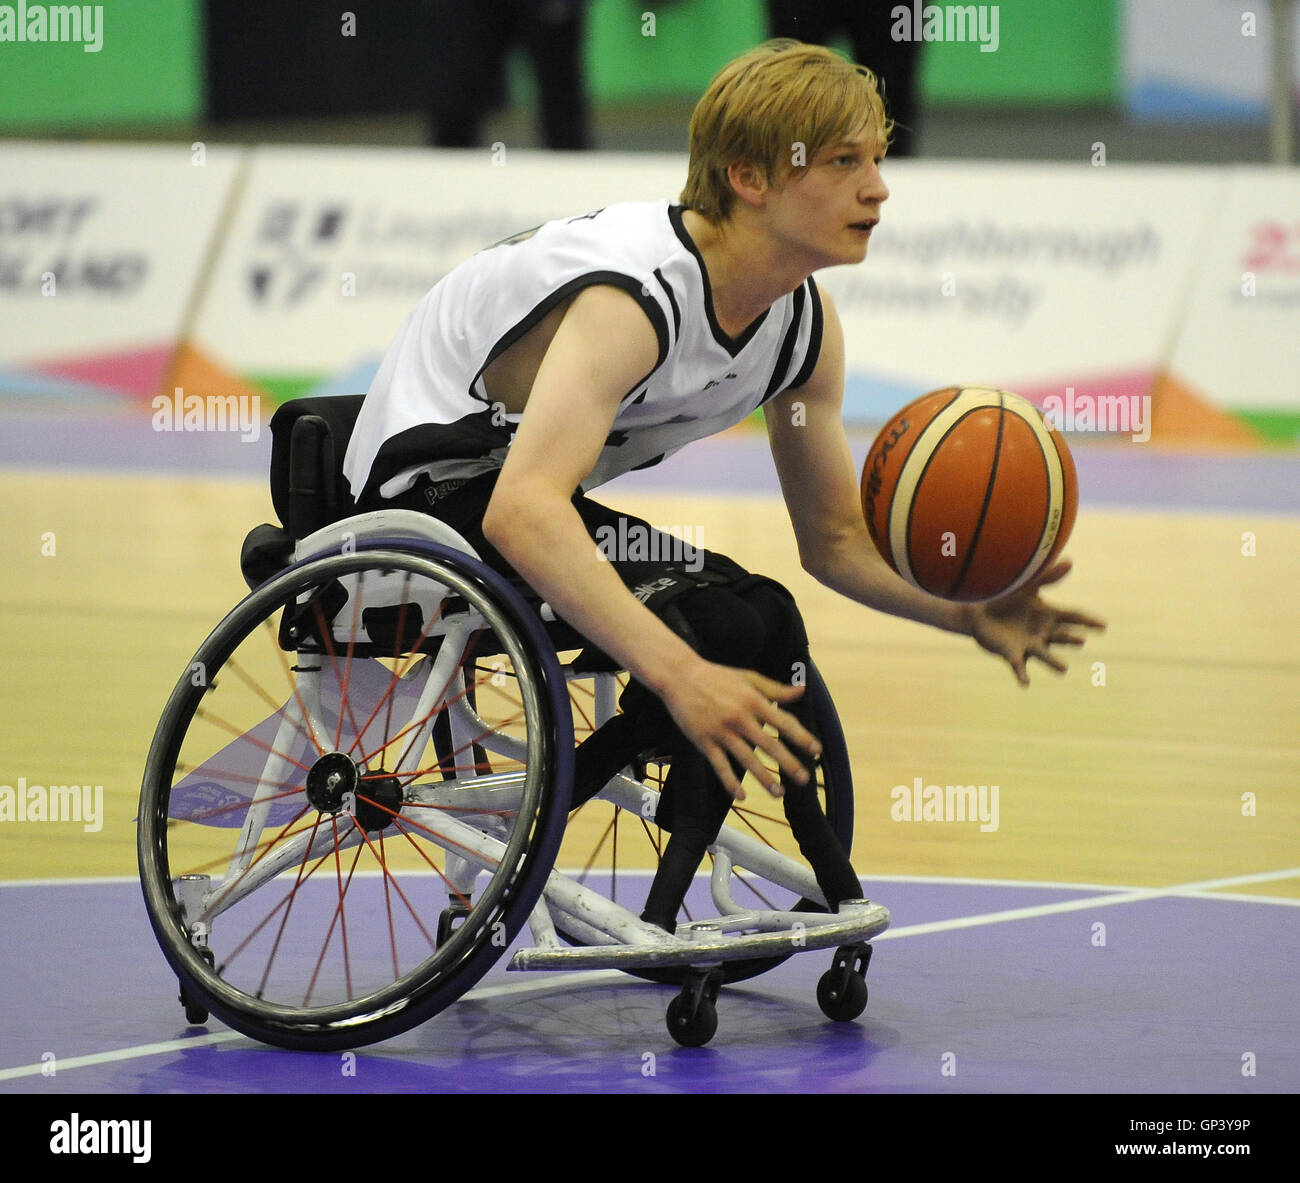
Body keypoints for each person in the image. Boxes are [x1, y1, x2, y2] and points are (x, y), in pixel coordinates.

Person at [343, 39, 1104, 932]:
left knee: (759, 612)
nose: (879, 188)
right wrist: (682, 673)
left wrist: (966, 610)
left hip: (518, 487)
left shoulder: (801, 331)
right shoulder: (636, 299)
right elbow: (520, 510)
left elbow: (836, 542)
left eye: (879, 160)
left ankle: (663, 895)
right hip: (420, 492)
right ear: (750, 177)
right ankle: (562, 813)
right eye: (844, 162)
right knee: (702, 634)